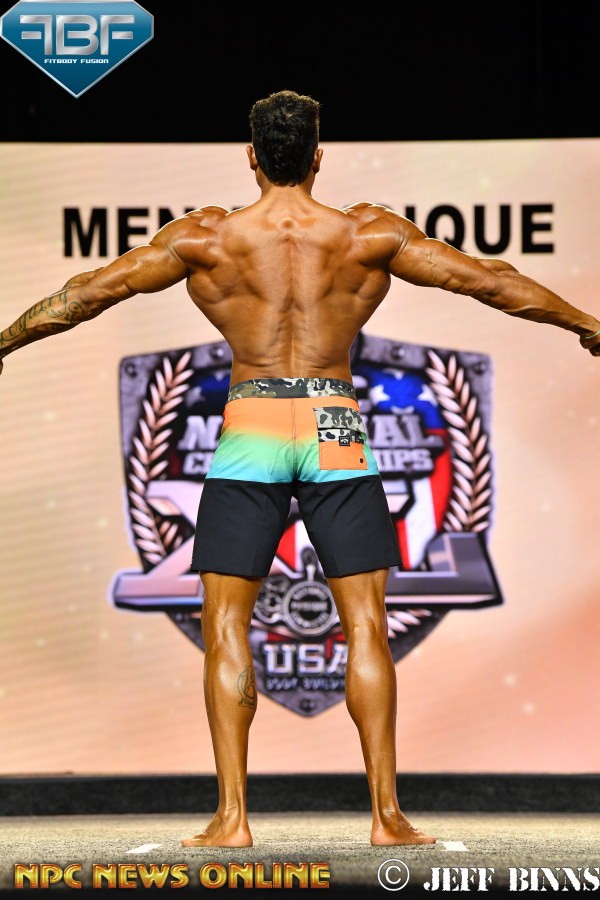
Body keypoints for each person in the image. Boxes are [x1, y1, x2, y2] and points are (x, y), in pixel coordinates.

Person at [1, 90, 599, 850]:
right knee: (368, 624)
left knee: (226, 626)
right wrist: (587, 324)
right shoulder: (368, 233)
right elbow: (491, 280)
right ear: (319, 156)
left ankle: (232, 820)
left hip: (251, 426)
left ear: (250, 157)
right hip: (332, 423)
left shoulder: (205, 238)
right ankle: (386, 817)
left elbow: (87, 294)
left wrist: (4, 342)